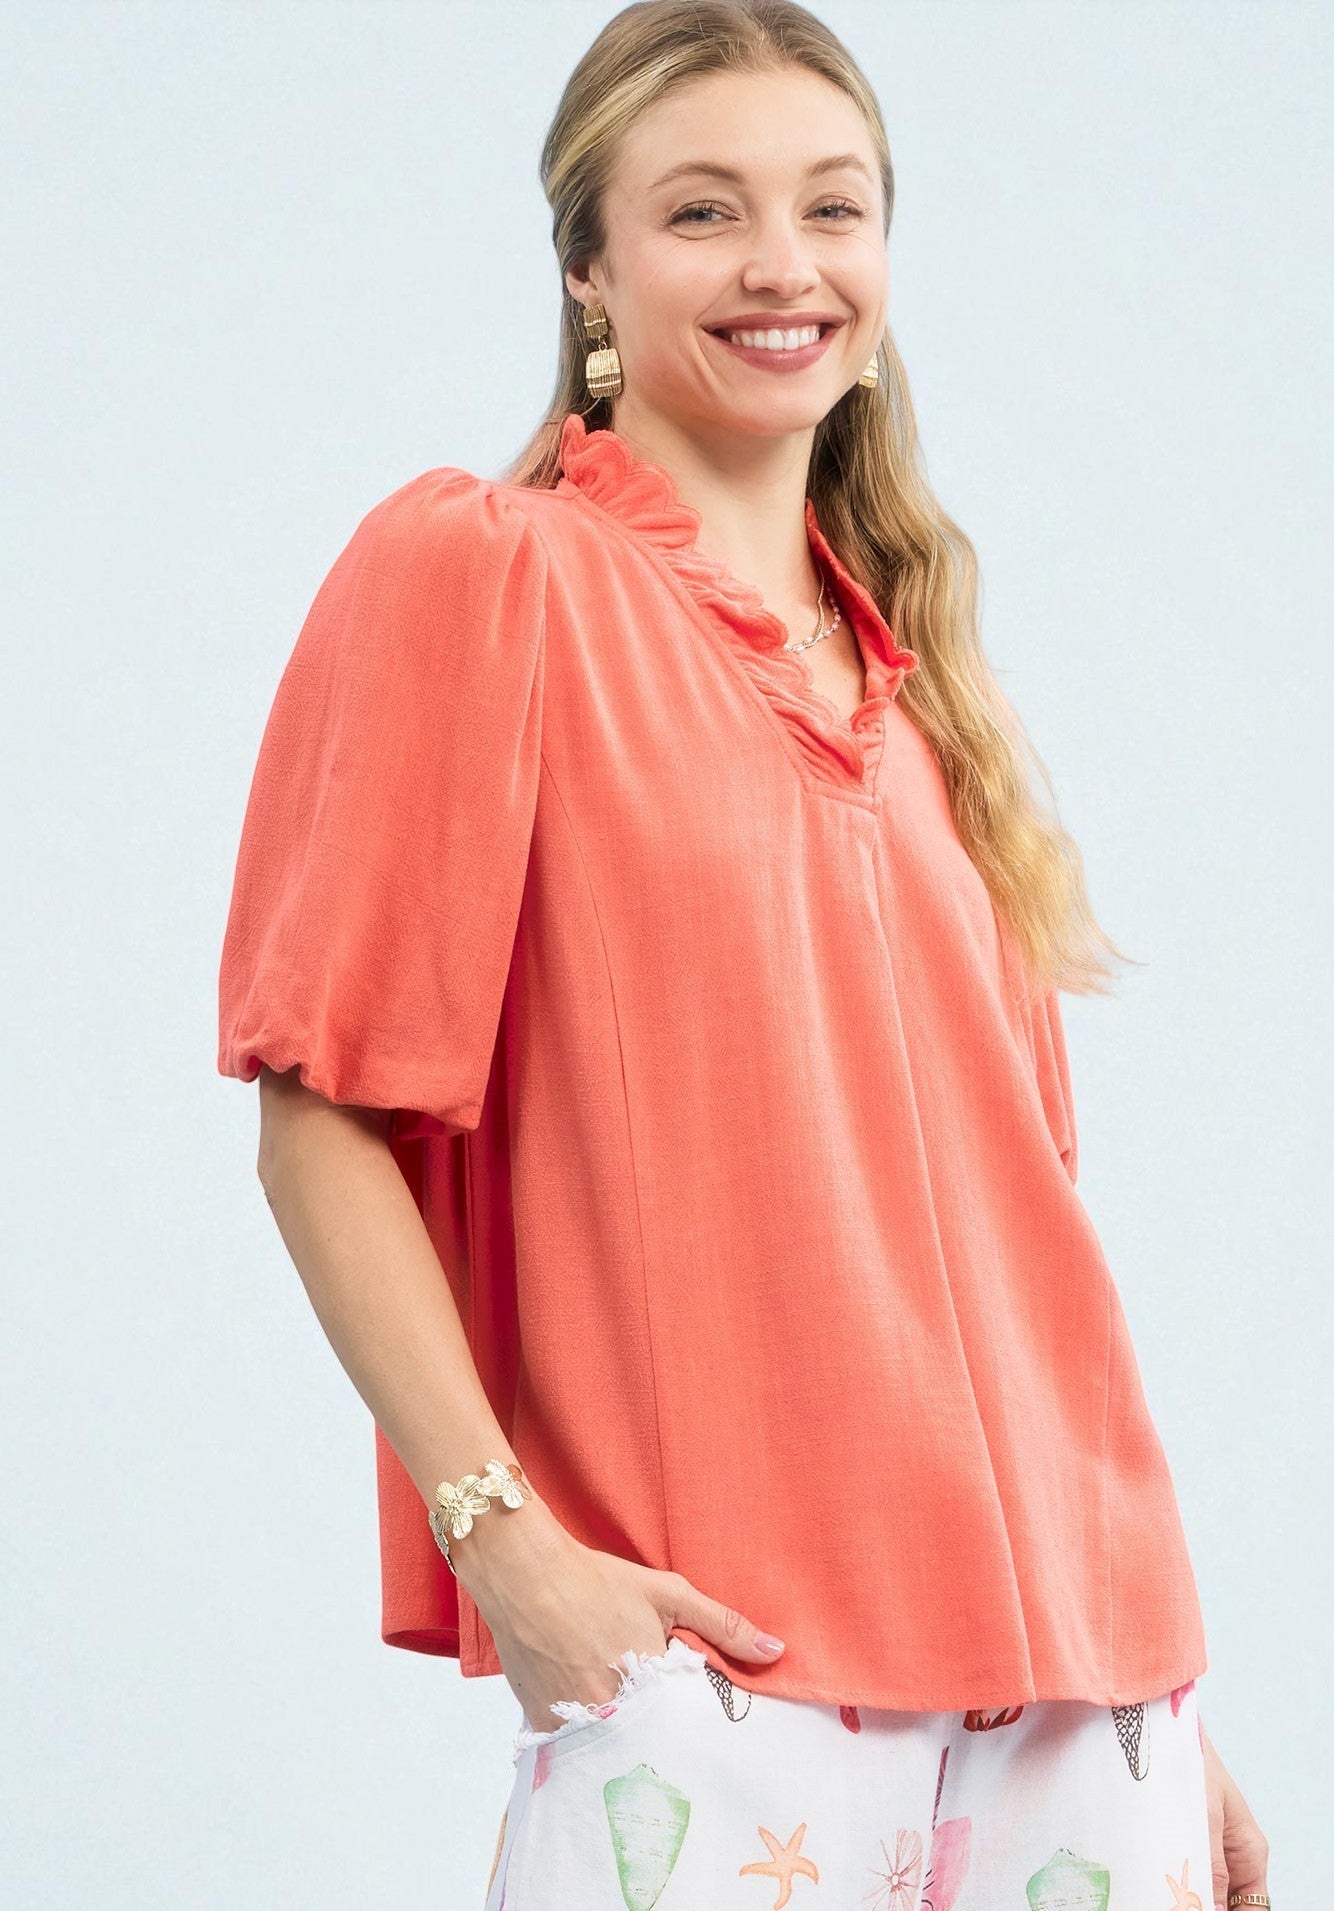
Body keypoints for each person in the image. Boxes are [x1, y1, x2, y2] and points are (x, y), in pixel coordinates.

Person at [216, 3, 1273, 1905]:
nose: (785, 267)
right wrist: (506, 1545)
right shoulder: (488, 579)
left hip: (1083, 1682)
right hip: (716, 1661)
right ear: (590, 270)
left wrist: (1171, 1704)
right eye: (704, 212)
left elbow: (1022, 1234)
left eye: (833, 209)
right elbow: (322, 1122)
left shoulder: (923, 681)